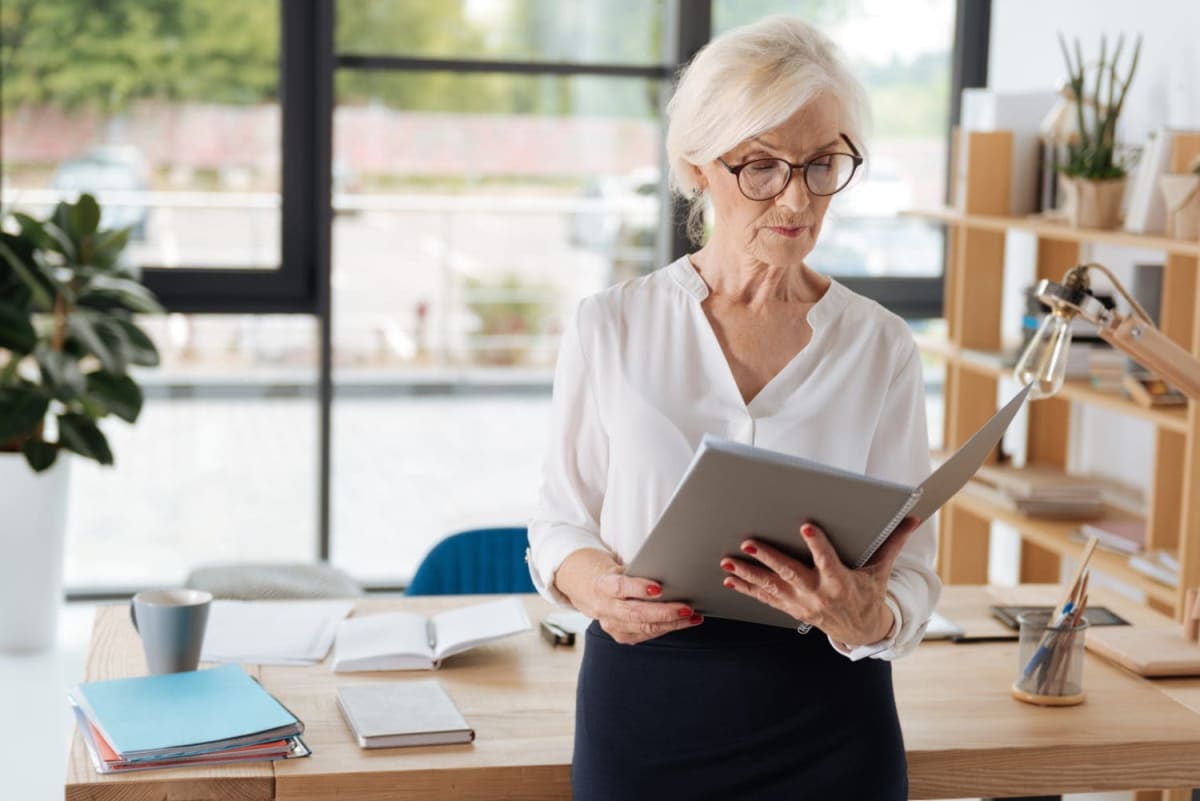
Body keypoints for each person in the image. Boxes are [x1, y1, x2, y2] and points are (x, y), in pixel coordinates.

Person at [528, 15, 940, 801]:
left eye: (823, 165)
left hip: (830, 723)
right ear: (696, 168)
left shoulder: (881, 347)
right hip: (647, 713)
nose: (796, 197)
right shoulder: (610, 324)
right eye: (760, 166)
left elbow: (913, 570)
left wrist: (872, 620)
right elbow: (558, 523)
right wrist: (593, 589)